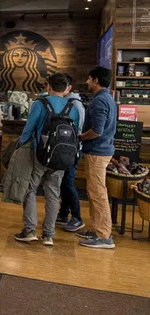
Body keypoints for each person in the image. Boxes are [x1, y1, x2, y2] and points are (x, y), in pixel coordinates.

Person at [14, 73, 81, 247]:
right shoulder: (73, 107)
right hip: (61, 157)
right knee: (53, 194)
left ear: (48, 86)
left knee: (30, 189)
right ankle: (48, 235)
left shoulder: (40, 104)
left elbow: (29, 128)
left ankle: (29, 230)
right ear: (66, 88)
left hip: (40, 154)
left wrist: (19, 145)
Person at [78, 67, 117, 249]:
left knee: (98, 194)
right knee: (94, 192)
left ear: (95, 80)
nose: (87, 82)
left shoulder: (99, 101)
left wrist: (81, 136)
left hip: (97, 152)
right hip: (101, 151)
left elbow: (97, 131)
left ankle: (104, 236)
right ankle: (97, 230)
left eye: (88, 79)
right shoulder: (107, 98)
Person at [56, 74, 86, 232]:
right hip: (68, 149)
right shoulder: (69, 103)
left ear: (69, 88)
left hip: (72, 150)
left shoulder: (75, 105)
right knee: (64, 182)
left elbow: (78, 130)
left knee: (67, 182)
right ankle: (63, 214)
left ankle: (77, 217)